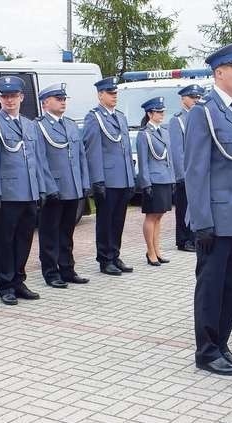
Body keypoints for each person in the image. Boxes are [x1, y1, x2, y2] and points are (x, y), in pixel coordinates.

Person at [184, 42, 232, 376]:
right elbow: (196, 170)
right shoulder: (203, 112)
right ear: (219, 73)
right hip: (216, 218)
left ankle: (222, 344)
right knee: (211, 287)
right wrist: (201, 221)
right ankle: (206, 351)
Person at [0, 76, 43, 305]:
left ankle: (19, 280)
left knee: (24, 239)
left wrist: (41, 189)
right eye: (4, 96)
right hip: (7, 193)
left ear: (22, 97)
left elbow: (36, 160)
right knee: (5, 241)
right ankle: (5, 285)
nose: (9, 100)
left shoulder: (29, 125)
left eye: (13, 96)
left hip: (29, 192)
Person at [36, 83, 91, 288]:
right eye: (58, 99)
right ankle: (51, 273)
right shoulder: (39, 126)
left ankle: (67, 269)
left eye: (64, 99)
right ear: (45, 103)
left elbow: (81, 157)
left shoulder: (69, 124)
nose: (63, 102)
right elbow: (40, 161)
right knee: (50, 233)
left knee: (67, 233)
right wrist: (49, 188)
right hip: (55, 189)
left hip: (73, 187)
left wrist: (84, 183)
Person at [83, 76, 136, 276]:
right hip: (107, 179)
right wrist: (97, 180)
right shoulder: (94, 118)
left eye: (115, 93)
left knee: (118, 220)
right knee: (105, 221)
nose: (114, 97)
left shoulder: (120, 117)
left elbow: (125, 150)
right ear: (100, 95)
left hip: (122, 178)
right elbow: (93, 151)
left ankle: (115, 254)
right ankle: (105, 259)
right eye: (110, 93)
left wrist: (131, 178)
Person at [136, 97, 175, 266]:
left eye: (162, 111)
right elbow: (143, 161)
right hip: (153, 180)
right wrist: (146, 183)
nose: (162, 114)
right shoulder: (144, 134)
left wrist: (172, 178)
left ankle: (157, 249)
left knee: (159, 216)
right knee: (151, 216)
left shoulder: (164, 131)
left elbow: (170, 158)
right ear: (150, 114)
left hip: (165, 178)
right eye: (158, 112)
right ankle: (150, 251)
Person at [168, 84, 205, 253]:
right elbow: (177, 150)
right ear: (183, 98)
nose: (196, 100)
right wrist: (182, 175)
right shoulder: (177, 120)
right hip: (186, 173)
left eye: (198, 97)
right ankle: (183, 240)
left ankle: (193, 237)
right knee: (183, 207)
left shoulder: (198, 116)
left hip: (198, 172)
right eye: (192, 97)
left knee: (195, 206)